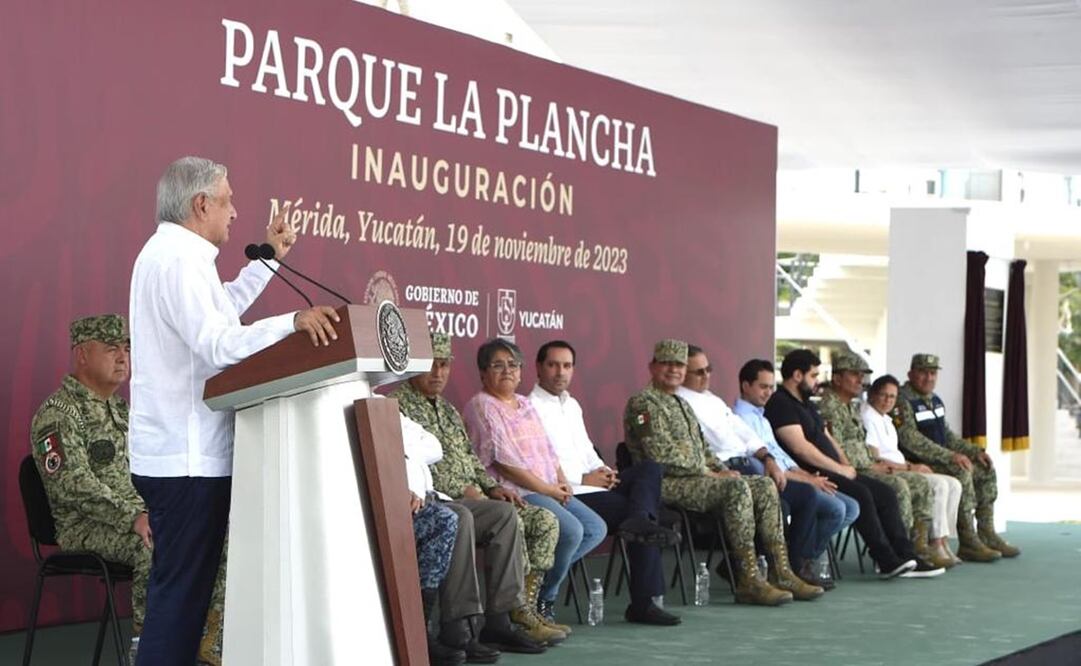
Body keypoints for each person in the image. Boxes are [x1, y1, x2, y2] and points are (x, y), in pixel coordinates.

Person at [128, 156, 341, 666]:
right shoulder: (177, 260)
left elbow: (218, 311)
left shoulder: (178, 256)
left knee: (182, 601)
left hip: (183, 457)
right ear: (201, 204)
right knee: (178, 604)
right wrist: (291, 323)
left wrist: (269, 260)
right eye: (228, 201)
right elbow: (218, 345)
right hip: (186, 461)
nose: (235, 212)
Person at [29, 314, 226, 665]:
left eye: (127, 349)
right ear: (82, 355)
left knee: (211, 533)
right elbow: (72, 486)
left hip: (140, 515)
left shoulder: (122, 409)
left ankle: (210, 643)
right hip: (85, 526)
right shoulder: (58, 414)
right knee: (154, 544)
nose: (123, 357)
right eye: (111, 349)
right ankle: (150, 648)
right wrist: (133, 517)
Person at [389, 332, 563, 649]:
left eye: (445, 365)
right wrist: (464, 490)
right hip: (435, 500)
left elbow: (470, 457)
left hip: (471, 498)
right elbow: (407, 464)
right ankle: (460, 625)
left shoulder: (447, 409)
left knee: (507, 514)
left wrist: (491, 487)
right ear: (413, 366)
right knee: (465, 518)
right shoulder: (396, 405)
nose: (438, 373)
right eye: (431, 365)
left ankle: (502, 619)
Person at [623, 339, 822, 605]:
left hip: (698, 479)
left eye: (679, 365)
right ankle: (748, 579)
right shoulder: (643, 404)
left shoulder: (680, 403)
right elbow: (659, 455)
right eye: (666, 363)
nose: (674, 370)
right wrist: (710, 473)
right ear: (652, 366)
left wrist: (723, 470)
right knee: (736, 488)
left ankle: (782, 572)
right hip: (665, 482)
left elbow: (704, 449)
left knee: (763, 485)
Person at [529, 340, 681, 625]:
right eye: (553, 365)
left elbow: (587, 450)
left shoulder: (571, 405)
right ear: (539, 367)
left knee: (649, 470)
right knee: (643, 514)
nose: (560, 372)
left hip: (595, 483)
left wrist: (604, 470)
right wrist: (583, 479)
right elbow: (538, 464)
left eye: (567, 366)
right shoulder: (529, 408)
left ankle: (640, 519)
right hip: (570, 492)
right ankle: (643, 603)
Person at [464, 338, 608, 626]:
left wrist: (562, 482)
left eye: (513, 365)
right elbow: (504, 462)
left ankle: (533, 590)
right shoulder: (482, 405)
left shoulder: (525, 403)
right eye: (497, 365)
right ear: (483, 373)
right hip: (516, 491)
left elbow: (548, 449)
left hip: (548, 487)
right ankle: (543, 600)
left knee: (595, 528)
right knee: (572, 531)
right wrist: (549, 489)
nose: (507, 371)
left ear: (521, 371)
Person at [765, 349, 942, 579]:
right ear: (797, 375)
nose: (817, 381)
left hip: (835, 468)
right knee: (863, 495)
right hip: (812, 472)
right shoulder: (781, 403)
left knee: (886, 493)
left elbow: (827, 437)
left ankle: (907, 555)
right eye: (813, 375)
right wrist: (839, 469)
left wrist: (846, 465)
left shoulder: (806, 403)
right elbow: (800, 448)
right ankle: (886, 560)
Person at [677, 345, 831, 588]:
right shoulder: (680, 401)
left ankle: (791, 566)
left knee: (805, 495)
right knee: (780, 504)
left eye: (709, 369)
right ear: (682, 372)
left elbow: (744, 433)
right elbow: (712, 443)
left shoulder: (712, 399)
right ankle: (769, 570)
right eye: (699, 372)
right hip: (724, 467)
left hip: (752, 462)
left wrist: (768, 458)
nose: (706, 376)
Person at [731, 358, 860, 589]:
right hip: (770, 481)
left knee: (850, 507)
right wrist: (808, 480)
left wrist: (809, 476)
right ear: (745, 386)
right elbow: (764, 466)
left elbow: (782, 457)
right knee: (835, 508)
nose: (768, 392)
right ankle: (796, 563)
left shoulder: (761, 416)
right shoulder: (739, 419)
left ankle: (798, 558)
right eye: (763, 387)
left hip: (790, 474)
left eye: (771, 387)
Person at [817, 352, 950, 570]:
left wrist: (876, 463)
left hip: (864, 466)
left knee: (917, 483)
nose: (860, 380)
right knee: (898, 486)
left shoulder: (849, 405)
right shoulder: (829, 407)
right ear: (837, 378)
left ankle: (913, 550)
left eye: (862, 376)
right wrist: (872, 464)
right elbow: (836, 447)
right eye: (854, 375)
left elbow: (859, 444)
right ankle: (899, 554)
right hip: (848, 470)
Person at [894, 353, 1020, 560]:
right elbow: (911, 440)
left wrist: (974, 451)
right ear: (910, 374)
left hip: (940, 459)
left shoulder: (934, 400)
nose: (929, 378)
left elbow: (947, 436)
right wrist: (951, 456)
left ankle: (987, 532)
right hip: (917, 463)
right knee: (961, 471)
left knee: (984, 469)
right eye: (923, 372)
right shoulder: (902, 401)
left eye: (933, 373)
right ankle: (968, 540)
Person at [862, 374, 964, 567]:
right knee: (939, 485)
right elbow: (876, 459)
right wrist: (911, 467)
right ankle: (928, 543)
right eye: (884, 395)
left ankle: (942, 541)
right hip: (887, 471)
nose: (888, 400)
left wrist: (912, 466)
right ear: (873, 394)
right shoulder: (868, 417)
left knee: (954, 484)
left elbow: (894, 454)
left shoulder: (886, 418)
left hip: (901, 466)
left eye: (892, 397)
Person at [401, 412, 466, 666]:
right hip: (387, 501)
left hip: (425, 499)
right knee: (446, 519)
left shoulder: (385, 406)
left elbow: (434, 447)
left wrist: (402, 450)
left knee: (450, 518)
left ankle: (428, 628)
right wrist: (401, 450)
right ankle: (421, 632)